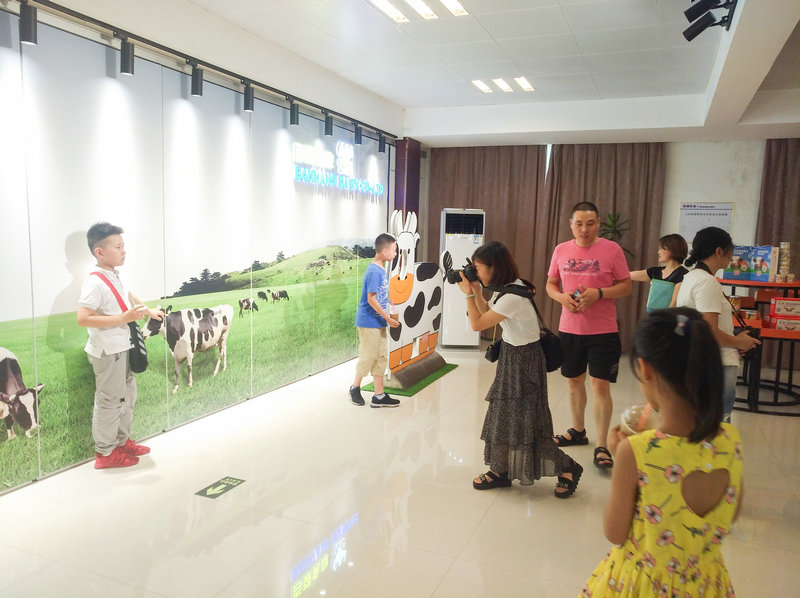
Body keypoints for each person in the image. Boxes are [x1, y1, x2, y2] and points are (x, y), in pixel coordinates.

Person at [581, 307, 743, 597]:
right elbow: (730, 515)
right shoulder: (731, 441)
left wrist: (623, 463)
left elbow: (615, 533)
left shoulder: (636, 451)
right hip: (706, 583)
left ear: (645, 369)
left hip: (642, 583)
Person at [457, 241, 583, 497]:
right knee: (502, 416)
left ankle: (567, 466)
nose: (476, 272)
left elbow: (478, 324)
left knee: (527, 422)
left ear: (494, 267)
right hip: (512, 356)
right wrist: (477, 290)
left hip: (524, 362)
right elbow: (488, 312)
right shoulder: (508, 288)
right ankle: (500, 470)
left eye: (478, 268)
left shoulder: (513, 296)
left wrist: (468, 294)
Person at [546, 201, 632, 469]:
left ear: (598, 224)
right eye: (579, 224)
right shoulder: (561, 250)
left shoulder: (612, 249)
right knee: (574, 382)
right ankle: (578, 430)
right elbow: (550, 284)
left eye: (590, 223)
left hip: (603, 330)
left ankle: (602, 444)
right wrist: (561, 297)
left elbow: (626, 286)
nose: (584, 229)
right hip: (570, 328)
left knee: (600, 385)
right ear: (571, 224)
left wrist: (600, 293)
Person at [77, 222, 163, 469]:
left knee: (127, 395)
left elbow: (129, 294)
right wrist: (123, 318)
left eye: (123, 246)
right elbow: (83, 318)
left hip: (123, 346)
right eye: (118, 247)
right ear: (99, 252)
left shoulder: (114, 275)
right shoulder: (94, 282)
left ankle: (122, 443)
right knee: (109, 401)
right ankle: (105, 454)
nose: (123, 251)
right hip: (108, 351)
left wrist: (148, 310)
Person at [676, 226, 760, 421]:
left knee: (701, 421)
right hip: (717, 363)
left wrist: (735, 339)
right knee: (717, 425)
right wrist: (739, 342)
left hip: (698, 359)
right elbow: (711, 331)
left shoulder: (691, 277)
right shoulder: (707, 282)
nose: (732, 258)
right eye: (730, 252)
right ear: (719, 251)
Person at [349, 233, 401, 408]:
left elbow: (380, 295)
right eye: (394, 250)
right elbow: (371, 299)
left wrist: (388, 311)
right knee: (368, 356)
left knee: (381, 356)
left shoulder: (381, 269)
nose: (395, 254)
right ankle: (355, 388)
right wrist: (387, 318)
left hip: (379, 322)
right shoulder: (373, 271)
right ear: (385, 251)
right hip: (368, 322)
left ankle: (379, 395)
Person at [629, 234, 688, 309]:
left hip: (669, 315)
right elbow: (627, 275)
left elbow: (674, 303)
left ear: (673, 250)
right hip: (654, 314)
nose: (659, 252)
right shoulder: (655, 271)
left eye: (662, 248)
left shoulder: (683, 274)